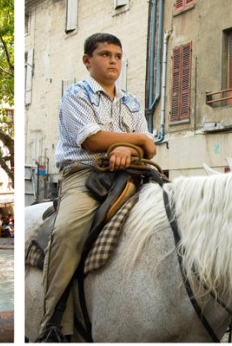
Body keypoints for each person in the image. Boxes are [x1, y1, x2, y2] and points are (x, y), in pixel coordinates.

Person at [37, 33, 157, 341]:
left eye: (117, 55)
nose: (113, 60)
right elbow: (91, 139)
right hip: (85, 174)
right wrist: (138, 141)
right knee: (66, 233)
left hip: (133, 173)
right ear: (87, 61)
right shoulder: (76, 95)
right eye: (105, 54)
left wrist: (128, 150)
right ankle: (52, 324)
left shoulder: (131, 101)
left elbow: (150, 150)